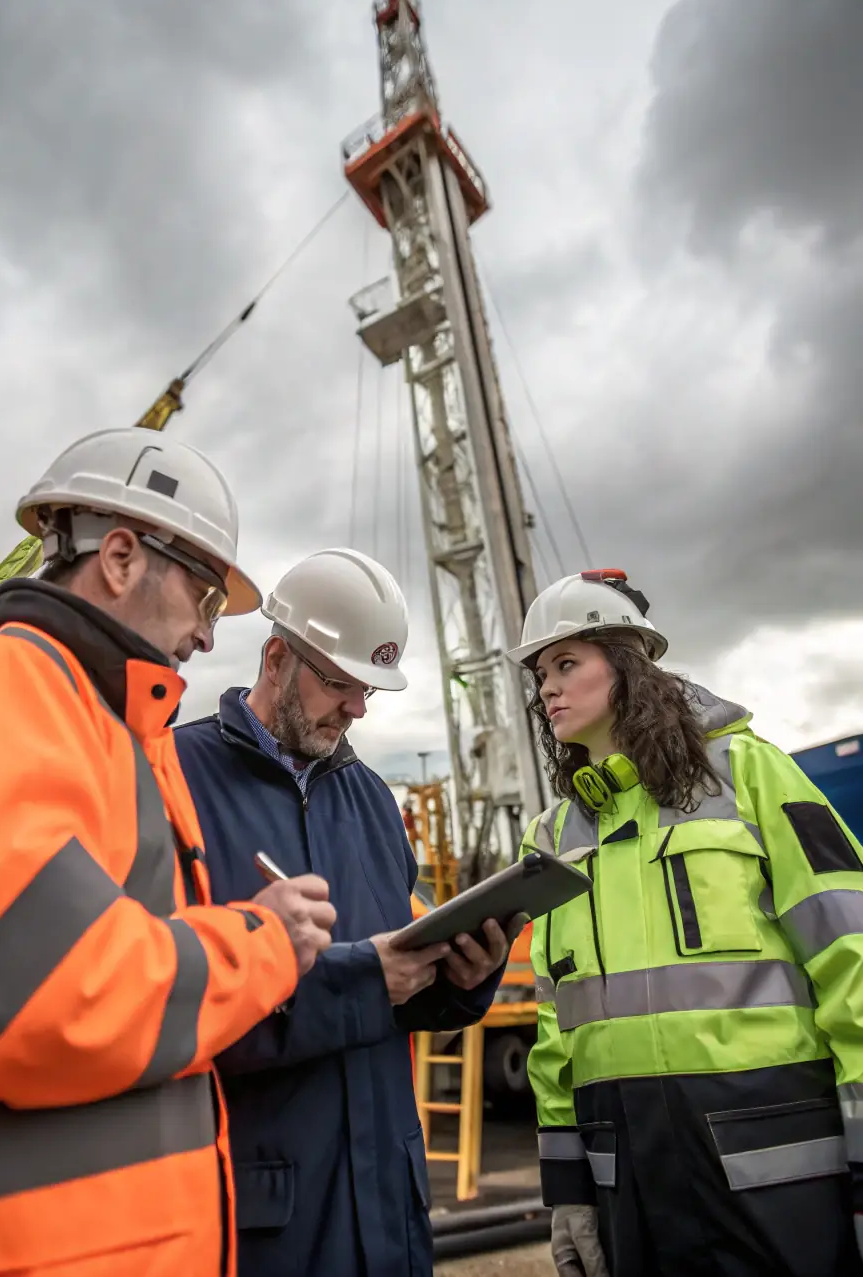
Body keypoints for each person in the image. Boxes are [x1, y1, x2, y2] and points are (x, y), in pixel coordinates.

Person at [0, 427, 337, 1277]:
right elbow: (35, 996)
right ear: (118, 555)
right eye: (207, 598)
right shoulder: (5, 696)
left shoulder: (104, 723)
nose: (210, 637)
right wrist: (262, 942)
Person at [508, 569, 863, 1277]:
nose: (547, 686)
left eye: (568, 663)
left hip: (774, 1163)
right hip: (629, 1177)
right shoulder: (550, 837)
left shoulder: (747, 774)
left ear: (630, 667)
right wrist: (569, 1193)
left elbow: (850, 953)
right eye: (542, 671)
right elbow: (555, 1023)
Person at [173, 547, 510, 1277]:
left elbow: (394, 989)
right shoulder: (173, 780)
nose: (358, 707)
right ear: (274, 657)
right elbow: (172, 1010)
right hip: (268, 1221)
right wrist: (365, 981)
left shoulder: (374, 802)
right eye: (340, 684)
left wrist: (459, 976)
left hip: (389, 1208)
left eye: (369, 689)